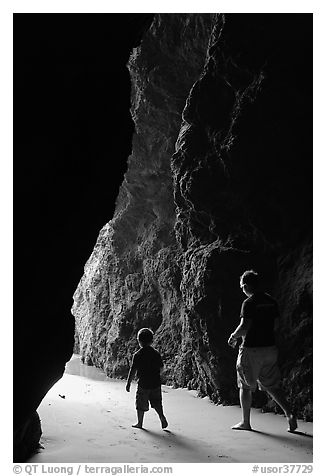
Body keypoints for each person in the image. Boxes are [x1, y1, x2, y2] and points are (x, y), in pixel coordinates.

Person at [228, 270, 297, 432]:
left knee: (244, 386)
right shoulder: (271, 301)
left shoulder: (249, 303)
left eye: (241, 287)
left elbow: (245, 326)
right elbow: (277, 325)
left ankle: (246, 422)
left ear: (245, 285)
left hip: (251, 350)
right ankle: (289, 413)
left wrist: (233, 336)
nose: (242, 290)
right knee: (272, 385)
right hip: (270, 349)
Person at [126, 327, 168, 429]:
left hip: (143, 384)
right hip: (155, 383)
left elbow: (133, 370)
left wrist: (128, 383)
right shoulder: (156, 353)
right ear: (152, 340)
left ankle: (140, 423)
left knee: (141, 404)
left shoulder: (138, 355)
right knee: (157, 402)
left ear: (139, 341)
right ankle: (161, 417)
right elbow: (161, 368)